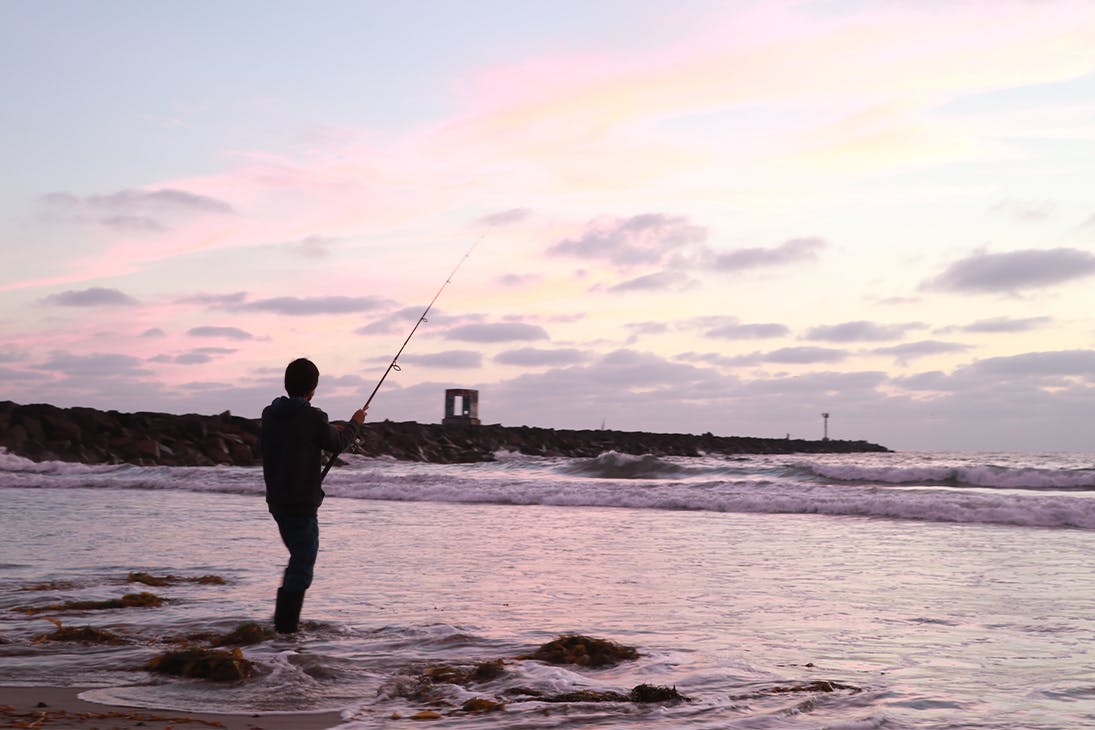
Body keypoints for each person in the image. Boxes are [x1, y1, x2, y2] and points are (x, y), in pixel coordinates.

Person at [261, 357, 366, 633]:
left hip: (278, 500)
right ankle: (285, 629)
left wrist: (331, 429)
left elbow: (301, 433)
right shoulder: (312, 417)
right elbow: (338, 443)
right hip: (301, 502)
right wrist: (355, 423)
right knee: (303, 562)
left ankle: (284, 626)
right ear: (313, 388)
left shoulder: (270, 414)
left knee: (298, 557)